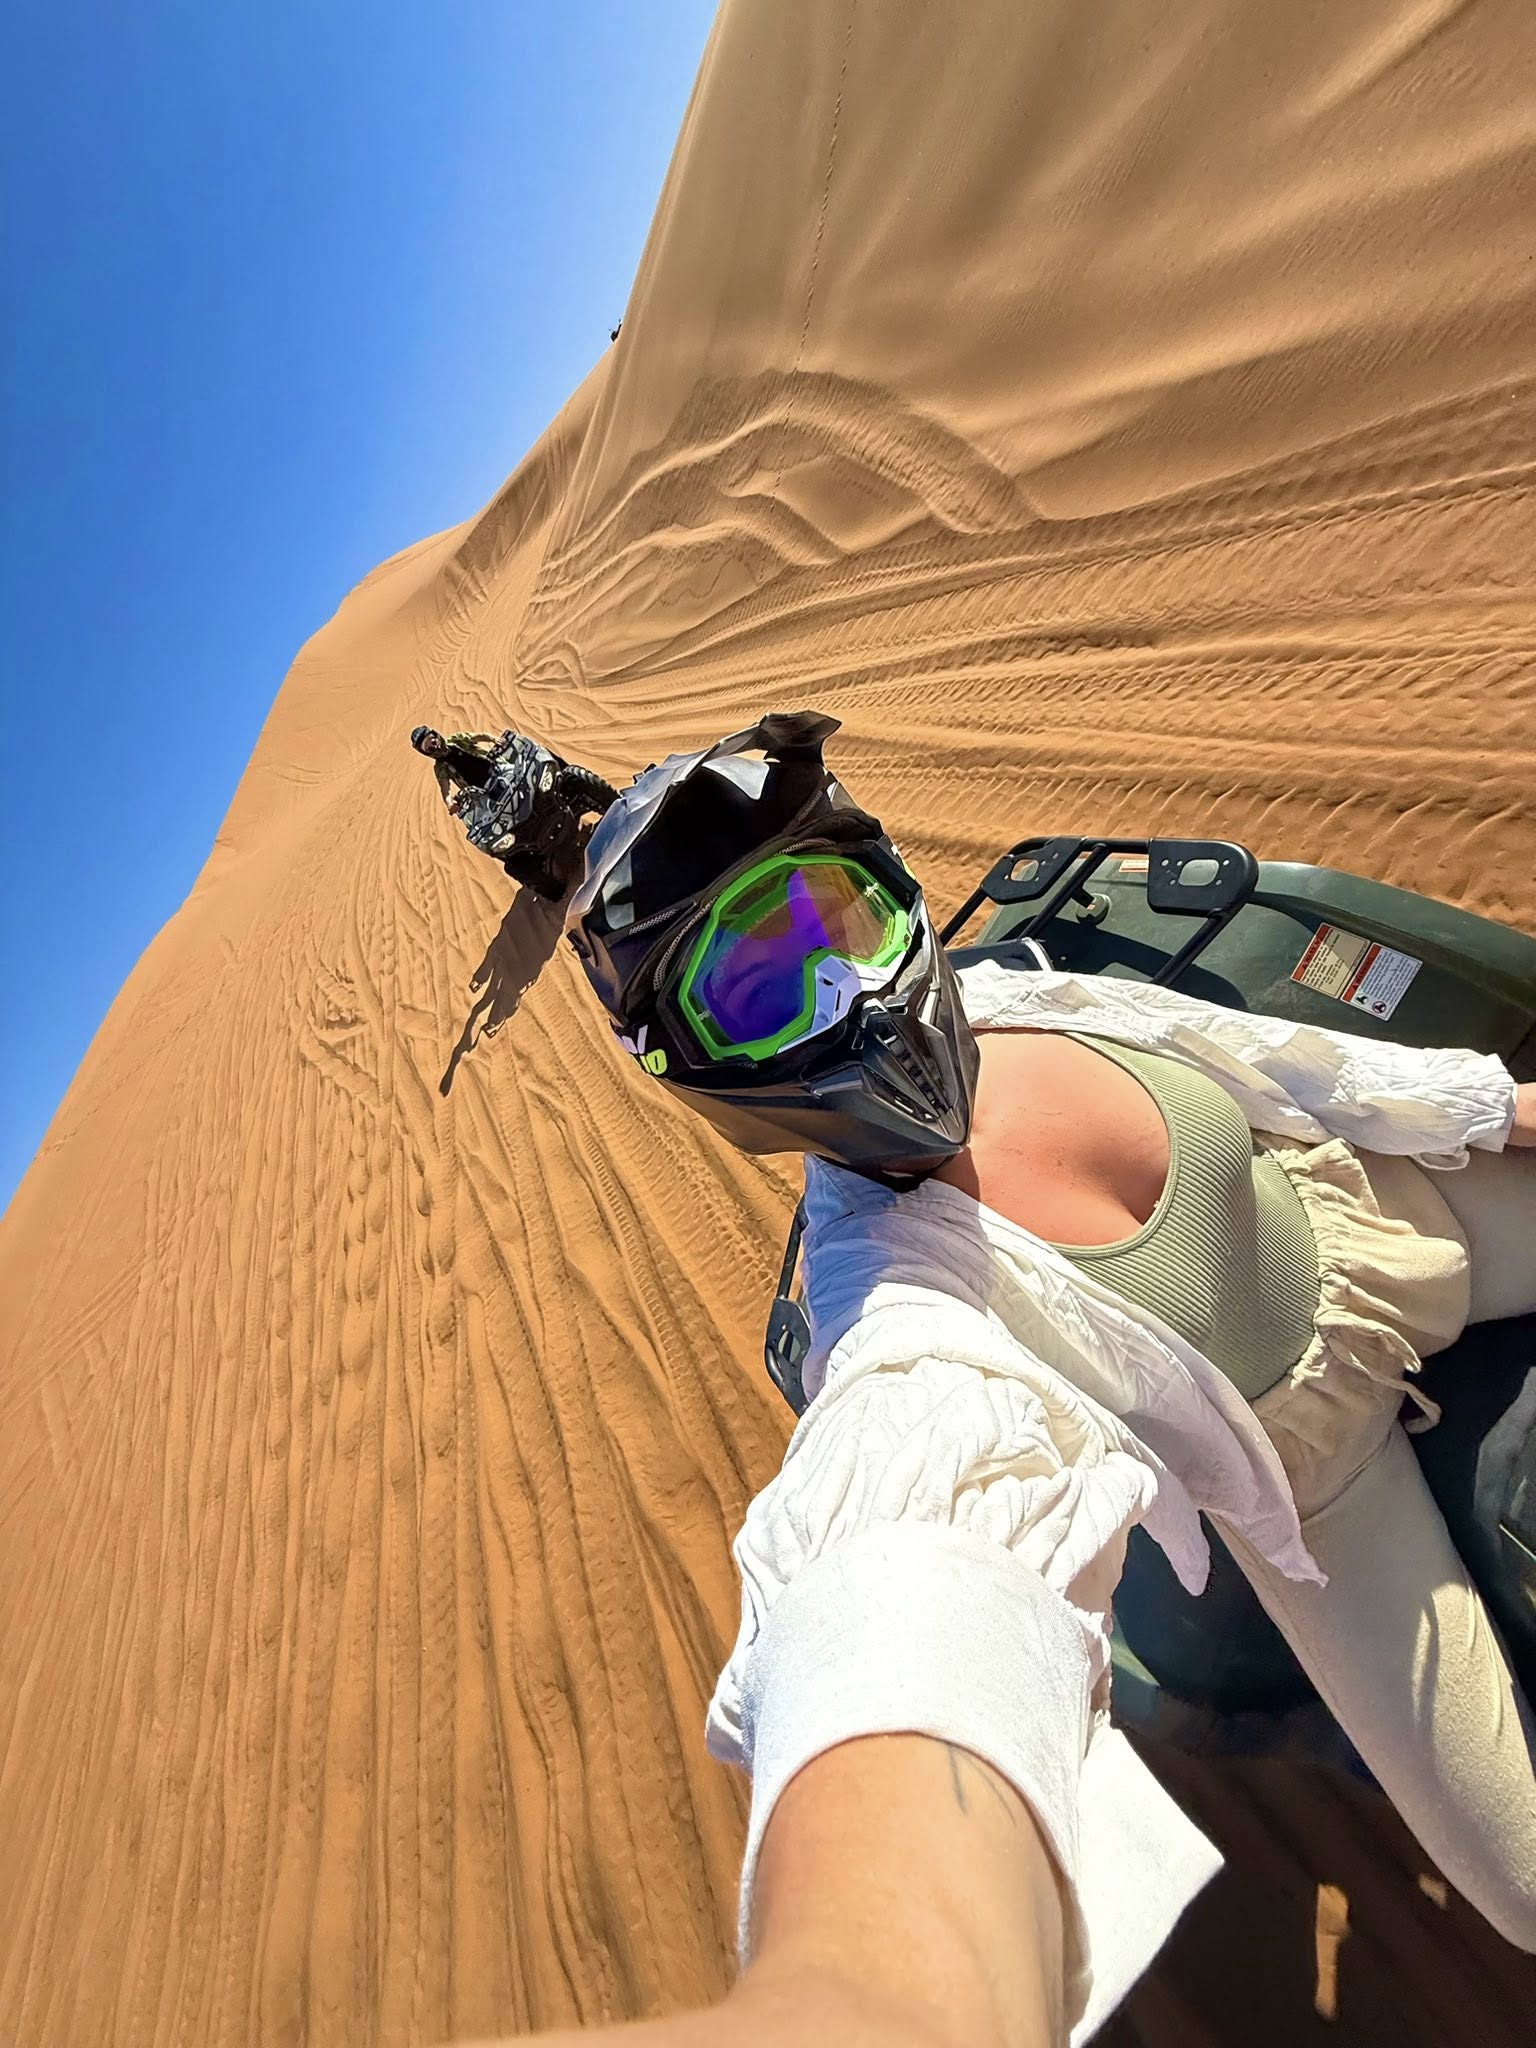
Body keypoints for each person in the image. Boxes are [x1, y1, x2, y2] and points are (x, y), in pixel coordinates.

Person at [556, 710, 1536, 2043]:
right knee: (1521, 1886)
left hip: (1379, 1217)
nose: (847, 996)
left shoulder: (1012, 993)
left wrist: (1495, 1106)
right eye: (762, 993)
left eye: (835, 923)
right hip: (1323, 1474)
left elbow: (1273, 1067)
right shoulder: (900, 1303)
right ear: (703, 1070)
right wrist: (879, 1991)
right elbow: (902, 1567)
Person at [411, 724, 619, 900]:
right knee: (508, 854)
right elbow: (445, 788)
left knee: (557, 773)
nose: (433, 744)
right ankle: (546, 881)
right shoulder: (441, 768)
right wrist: (450, 803)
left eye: (431, 739)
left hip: (497, 769)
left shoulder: (456, 739)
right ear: (426, 752)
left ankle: (611, 802)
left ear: (435, 734)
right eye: (427, 746)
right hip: (484, 794)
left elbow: (478, 736)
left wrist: (494, 740)